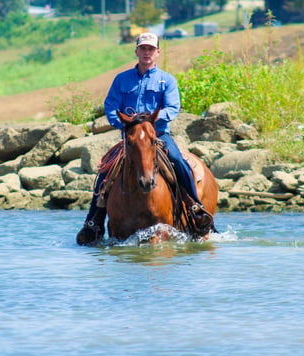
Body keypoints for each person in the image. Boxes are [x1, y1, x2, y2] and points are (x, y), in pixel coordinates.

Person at [76, 32, 214, 245]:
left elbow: (172, 108)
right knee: (105, 170)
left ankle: (195, 207)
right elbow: (111, 106)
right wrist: (125, 123)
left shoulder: (166, 80)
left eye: (151, 49)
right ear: (137, 51)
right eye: (143, 48)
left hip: (158, 135)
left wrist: (149, 122)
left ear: (157, 52)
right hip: (131, 138)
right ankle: (93, 222)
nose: (147, 52)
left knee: (177, 161)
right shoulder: (122, 79)